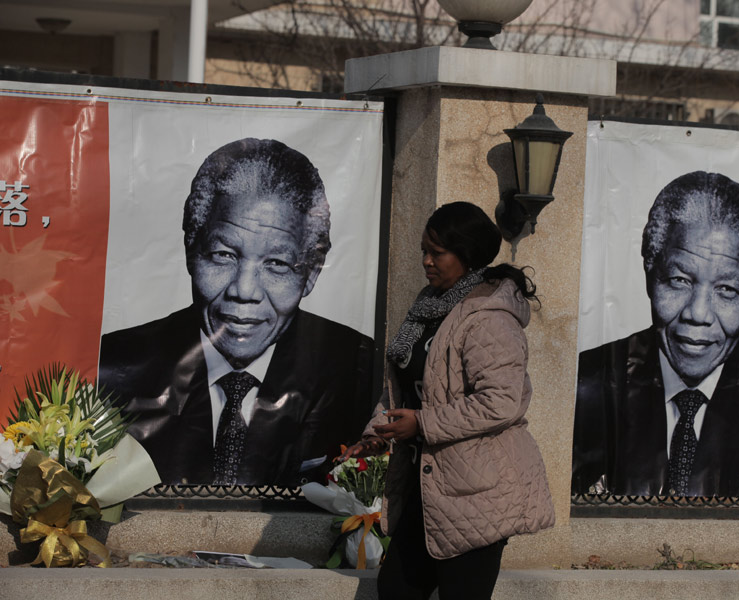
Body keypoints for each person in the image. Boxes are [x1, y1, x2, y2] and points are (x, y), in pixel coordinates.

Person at [98, 138, 374, 487]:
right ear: (191, 251)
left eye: (276, 263)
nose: (244, 290)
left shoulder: (357, 369)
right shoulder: (114, 366)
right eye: (223, 255)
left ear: (311, 272)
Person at [340, 202, 554, 600]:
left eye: (437, 253)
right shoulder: (428, 308)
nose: (426, 261)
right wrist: (378, 434)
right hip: (430, 487)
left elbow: (501, 401)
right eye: (424, 250)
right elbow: (403, 388)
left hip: (479, 493)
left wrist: (422, 424)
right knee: (396, 591)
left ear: (467, 255)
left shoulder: (489, 316)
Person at [572, 171, 739, 498]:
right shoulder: (585, 382)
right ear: (650, 276)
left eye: (726, 290)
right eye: (679, 281)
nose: (697, 314)